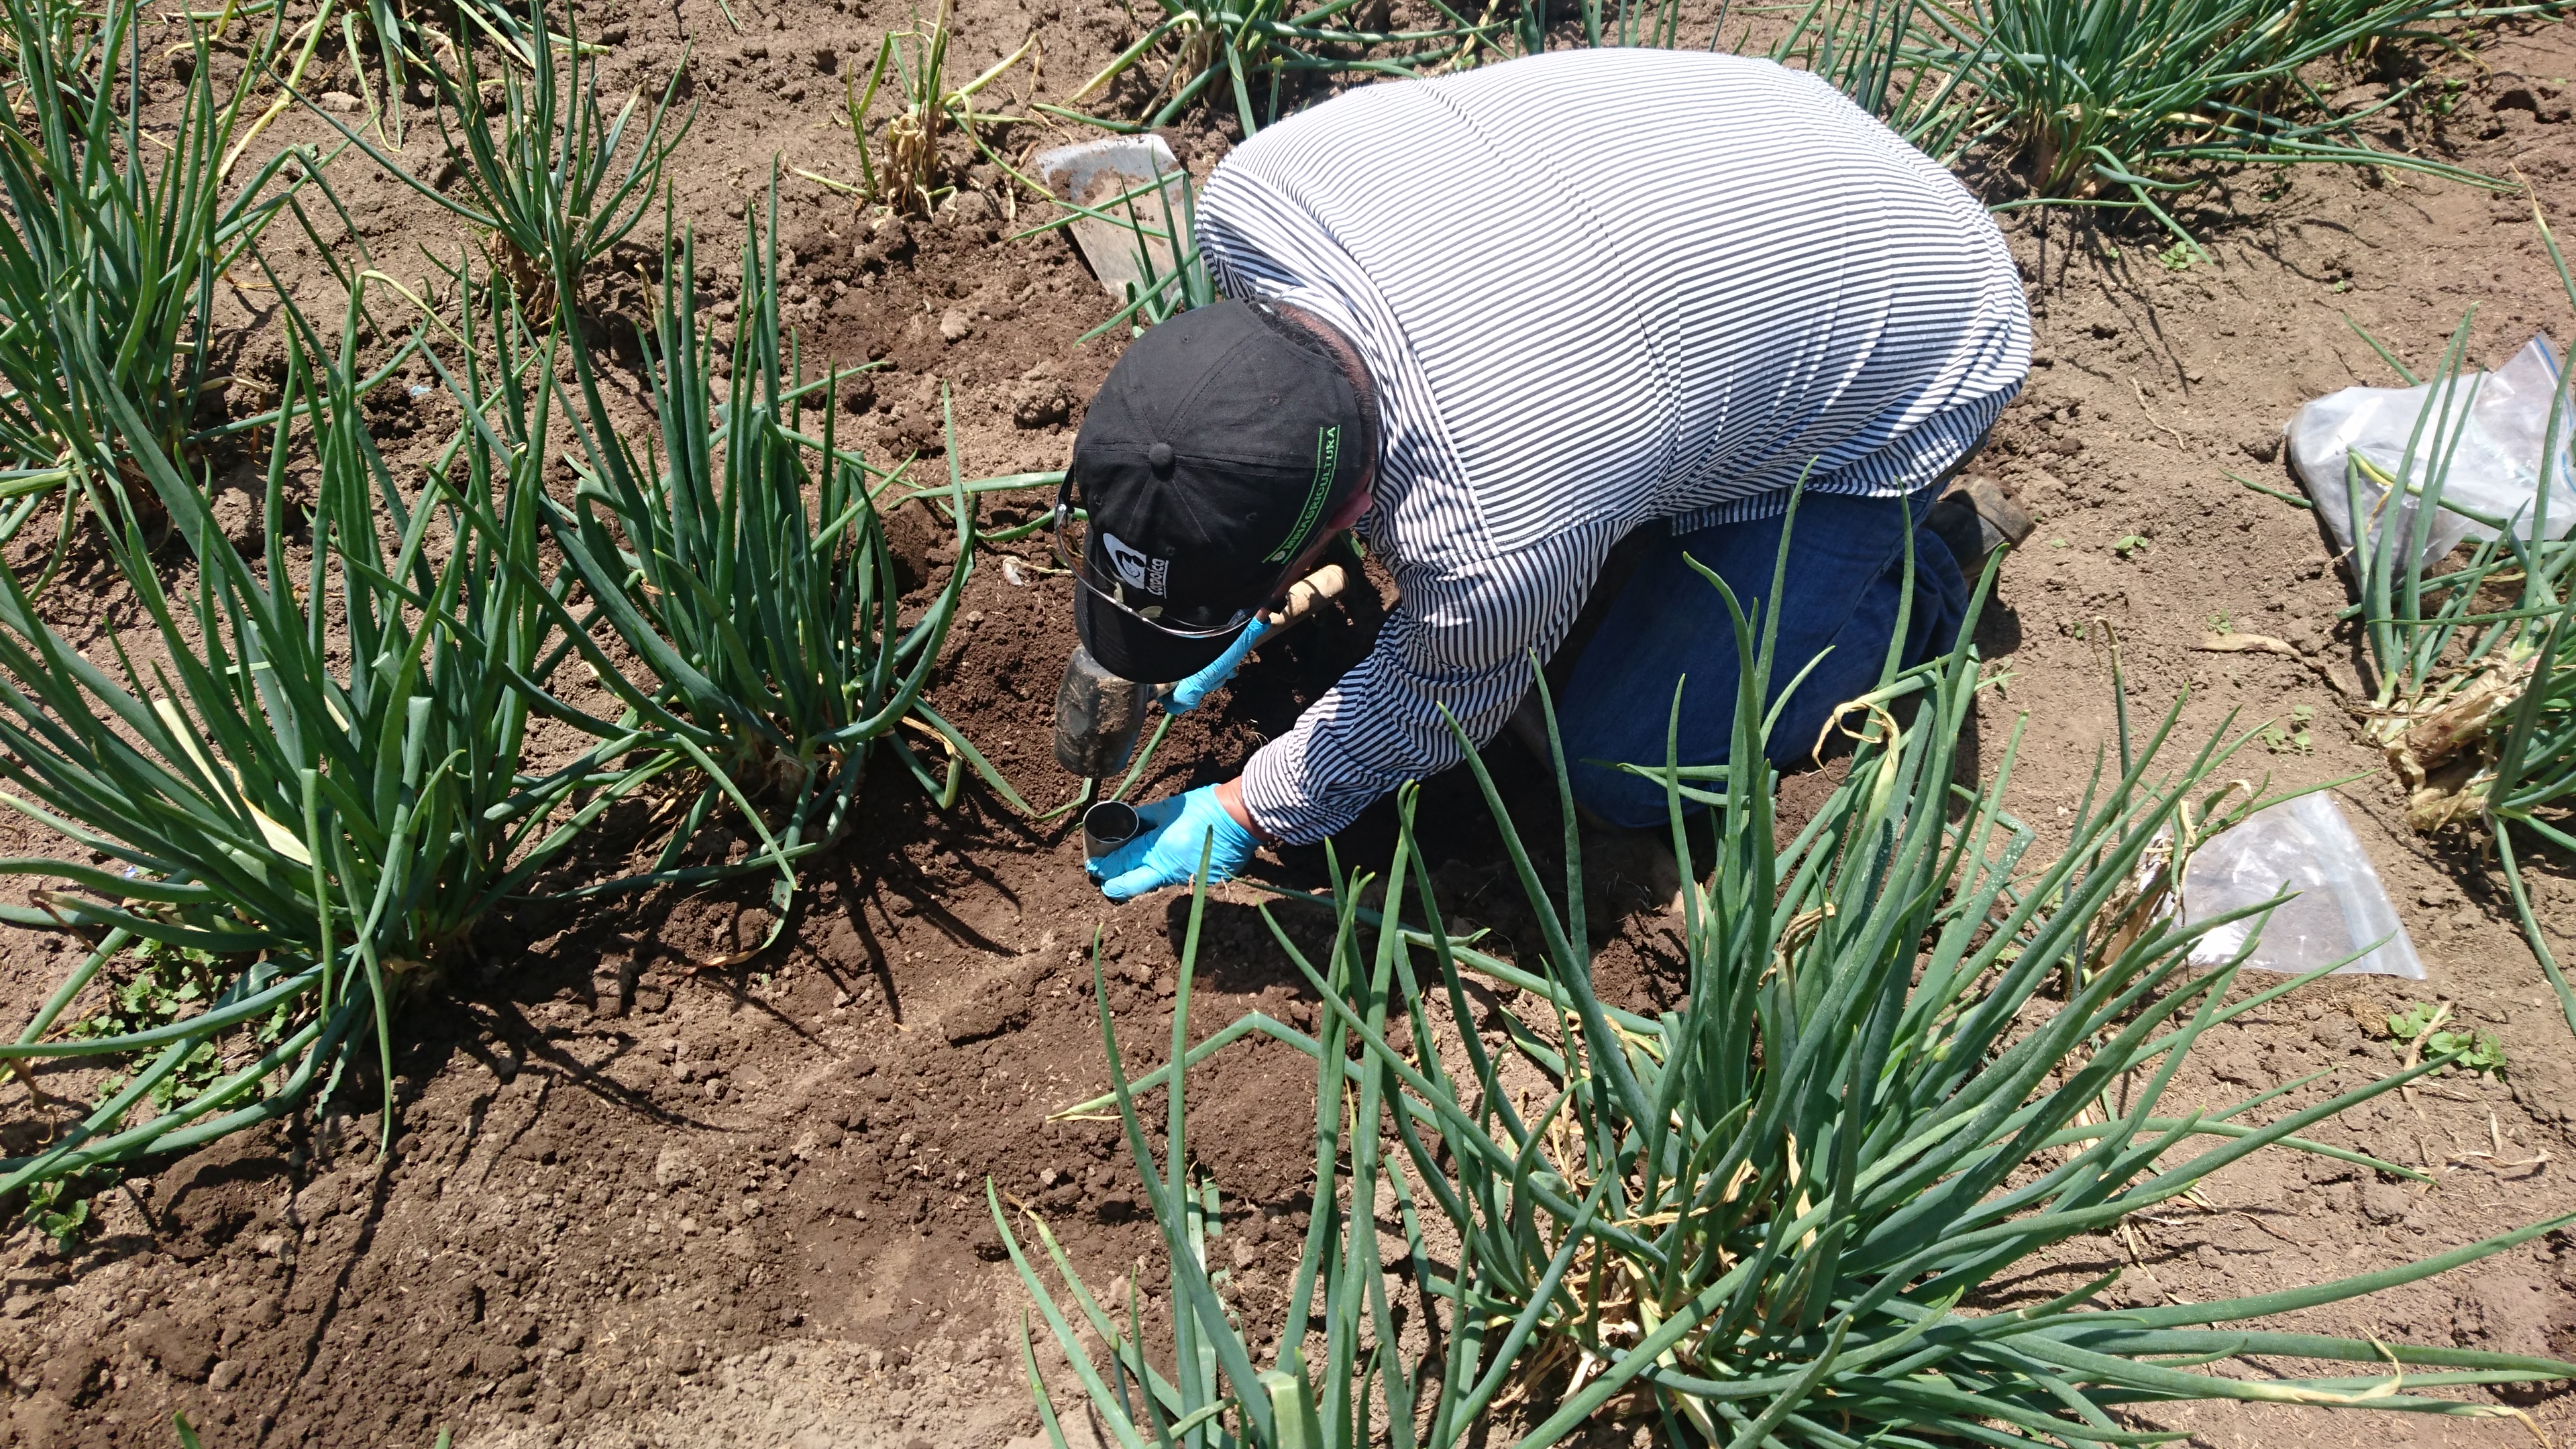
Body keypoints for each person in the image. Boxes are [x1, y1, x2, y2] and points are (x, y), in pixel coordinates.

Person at [1059, 46, 2030, 902]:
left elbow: (1430, 705)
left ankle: (1920, 574)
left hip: (1916, 326)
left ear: (1352, 506)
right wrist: (1232, 575)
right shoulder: (1254, 195)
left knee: (1621, 762)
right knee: (1593, 546)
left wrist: (1250, 807)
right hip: (1746, 135)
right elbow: (1272, 413)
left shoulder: (1493, 527)